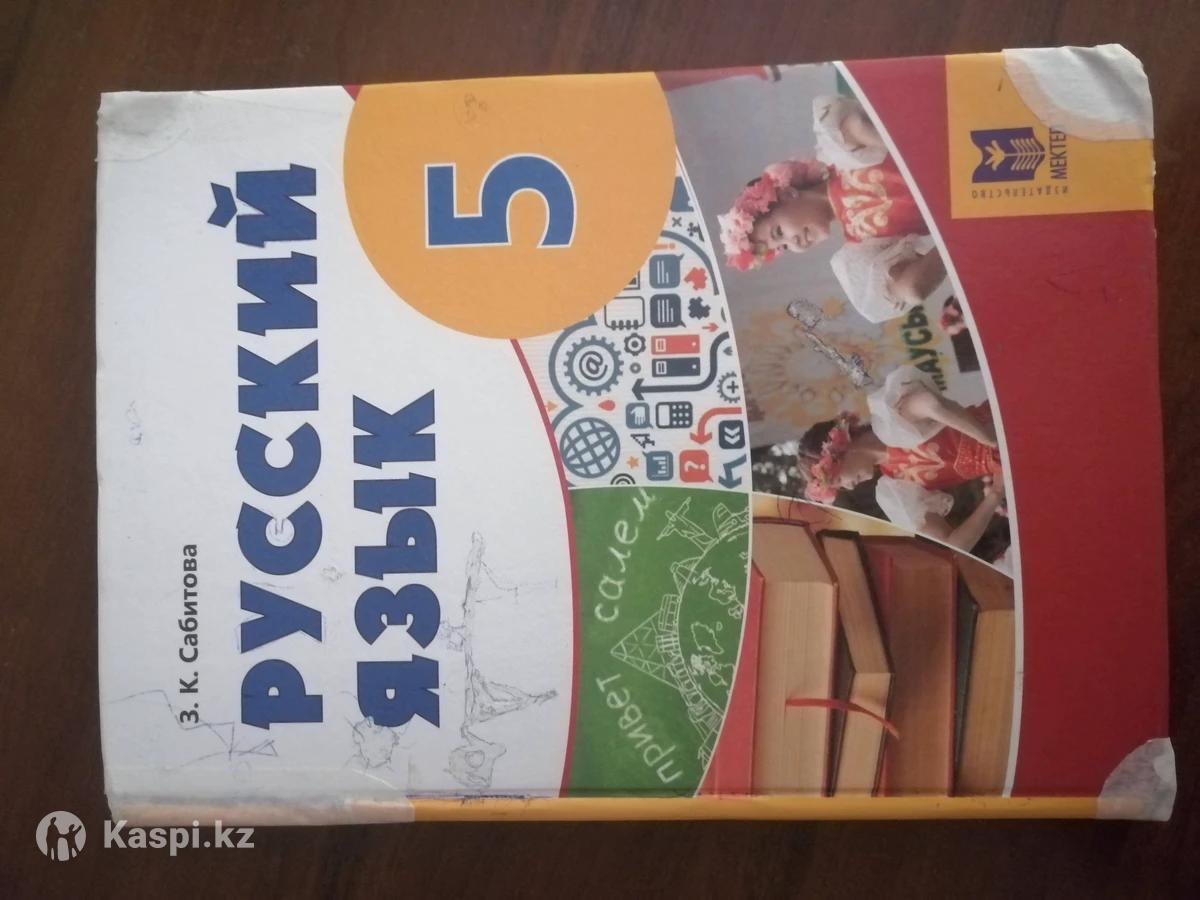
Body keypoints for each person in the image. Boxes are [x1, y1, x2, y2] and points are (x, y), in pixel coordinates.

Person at [718, 95, 947, 323]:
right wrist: (953, 237)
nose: (794, 244)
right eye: (784, 247)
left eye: (778, 232)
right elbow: (912, 290)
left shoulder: (843, 152)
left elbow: (873, 128)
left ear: (787, 194)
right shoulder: (865, 247)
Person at [796, 366, 1006, 552]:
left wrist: (989, 441)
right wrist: (995, 494)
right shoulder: (896, 487)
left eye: (839, 480)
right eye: (840, 487)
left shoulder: (892, 424)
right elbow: (953, 546)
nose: (849, 486)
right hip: (1012, 465)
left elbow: (931, 404)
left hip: (1007, 420)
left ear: (840, 448)